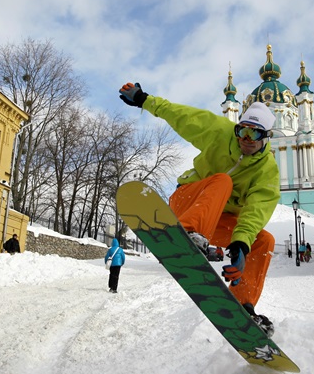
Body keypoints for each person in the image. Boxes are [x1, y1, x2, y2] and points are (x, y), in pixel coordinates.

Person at [119, 82, 280, 336]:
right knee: (223, 181)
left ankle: (244, 306)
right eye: (242, 132)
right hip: (188, 203)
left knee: (264, 240)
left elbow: (256, 211)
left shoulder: (267, 171)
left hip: (218, 222)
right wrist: (143, 99)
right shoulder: (219, 131)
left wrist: (240, 244)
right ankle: (189, 233)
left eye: (255, 135)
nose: (245, 140)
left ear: (266, 138)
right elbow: (180, 116)